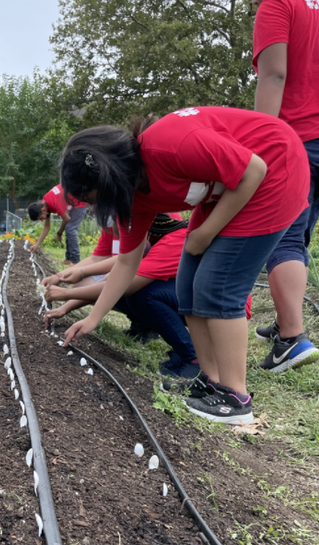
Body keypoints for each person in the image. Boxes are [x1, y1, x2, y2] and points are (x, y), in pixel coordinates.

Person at [58, 107, 309, 425]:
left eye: (90, 196)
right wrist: (93, 318)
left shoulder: (171, 144)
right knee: (187, 281)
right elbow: (126, 263)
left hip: (275, 169)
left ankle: (236, 398)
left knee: (218, 283)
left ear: (107, 175)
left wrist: (204, 234)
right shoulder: (132, 198)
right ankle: (212, 379)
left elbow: (253, 170)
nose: (92, 205)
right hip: (229, 190)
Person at [241, 0, 319, 372]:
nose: (255, 3)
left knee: (283, 233)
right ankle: (287, 319)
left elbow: (274, 73)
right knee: (303, 231)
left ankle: (292, 338)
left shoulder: (279, 6)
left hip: (299, 139)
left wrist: (261, 147)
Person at [45, 214, 203, 378]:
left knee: (144, 296)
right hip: (192, 295)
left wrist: (66, 294)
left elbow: (123, 287)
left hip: (212, 305)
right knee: (131, 294)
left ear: (145, 233)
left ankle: (193, 358)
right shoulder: (156, 239)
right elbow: (112, 280)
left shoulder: (171, 243)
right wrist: (67, 306)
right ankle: (182, 350)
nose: (127, 248)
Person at [27, 184, 88, 264]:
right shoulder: (45, 204)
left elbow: (67, 219)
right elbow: (47, 227)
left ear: (42, 210)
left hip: (80, 202)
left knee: (70, 228)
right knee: (69, 228)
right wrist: (37, 244)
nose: (42, 220)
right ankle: (68, 259)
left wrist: (59, 233)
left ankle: (75, 261)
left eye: (40, 218)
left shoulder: (54, 203)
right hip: (73, 200)